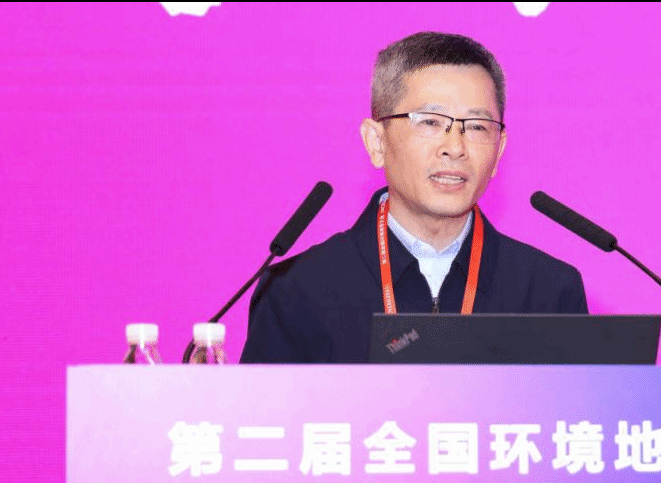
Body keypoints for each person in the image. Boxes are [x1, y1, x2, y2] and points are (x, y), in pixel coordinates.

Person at [241, 31, 588, 364]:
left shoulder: (549, 291)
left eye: (477, 127)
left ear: (499, 151)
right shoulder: (297, 291)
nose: (455, 147)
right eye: (430, 122)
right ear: (376, 142)